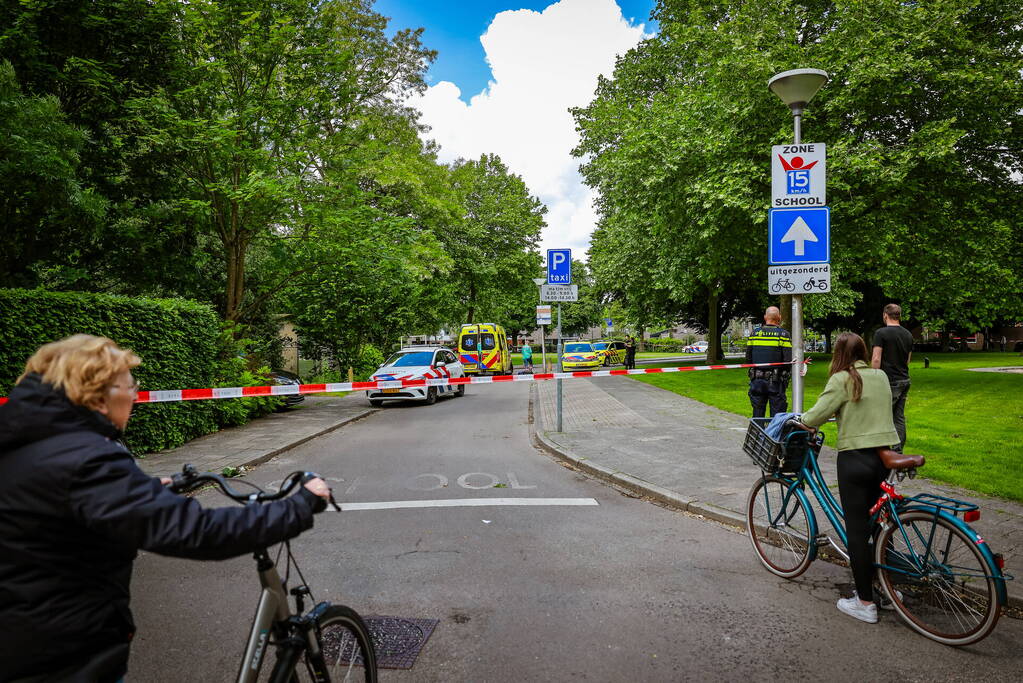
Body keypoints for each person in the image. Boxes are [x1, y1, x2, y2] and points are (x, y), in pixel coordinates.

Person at [0, 335, 332, 682]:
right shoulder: (86, 458)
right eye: (130, 386)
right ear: (98, 395)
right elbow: (196, 532)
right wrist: (300, 505)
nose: (135, 396)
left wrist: (136, 491)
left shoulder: (24, 442)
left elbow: (59, 508)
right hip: (59, 656)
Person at [799, 332, 900, 625]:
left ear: (839, 354)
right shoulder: (880, 376)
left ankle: (865, 602)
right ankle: (888, 589)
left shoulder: (842, 379)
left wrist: (801, 420)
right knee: (880, 526)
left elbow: (814, 417)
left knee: (856, 531)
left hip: (855, 459)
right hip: (883, 457)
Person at [871, 303, 914, 452]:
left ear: (885, 315)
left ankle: (880, 451)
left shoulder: (881, 333)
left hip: (888, 381)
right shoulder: (908, 335)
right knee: (898, 417)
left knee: (881, 416)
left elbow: (876, 358)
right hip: (904, 380)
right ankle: (897, 451)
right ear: (899, 316)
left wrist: (873, 378)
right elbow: (908, 360)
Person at [746, 306, 792, 418]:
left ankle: (757, 429)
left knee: (757, 414)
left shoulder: (754, 334)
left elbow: (748, 359)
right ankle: (773, 430)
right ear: (779, 318)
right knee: (776, 417)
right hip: (776, 382)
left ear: (765, 317)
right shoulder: (783, 335)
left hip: (757, 380)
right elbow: (787, 361)